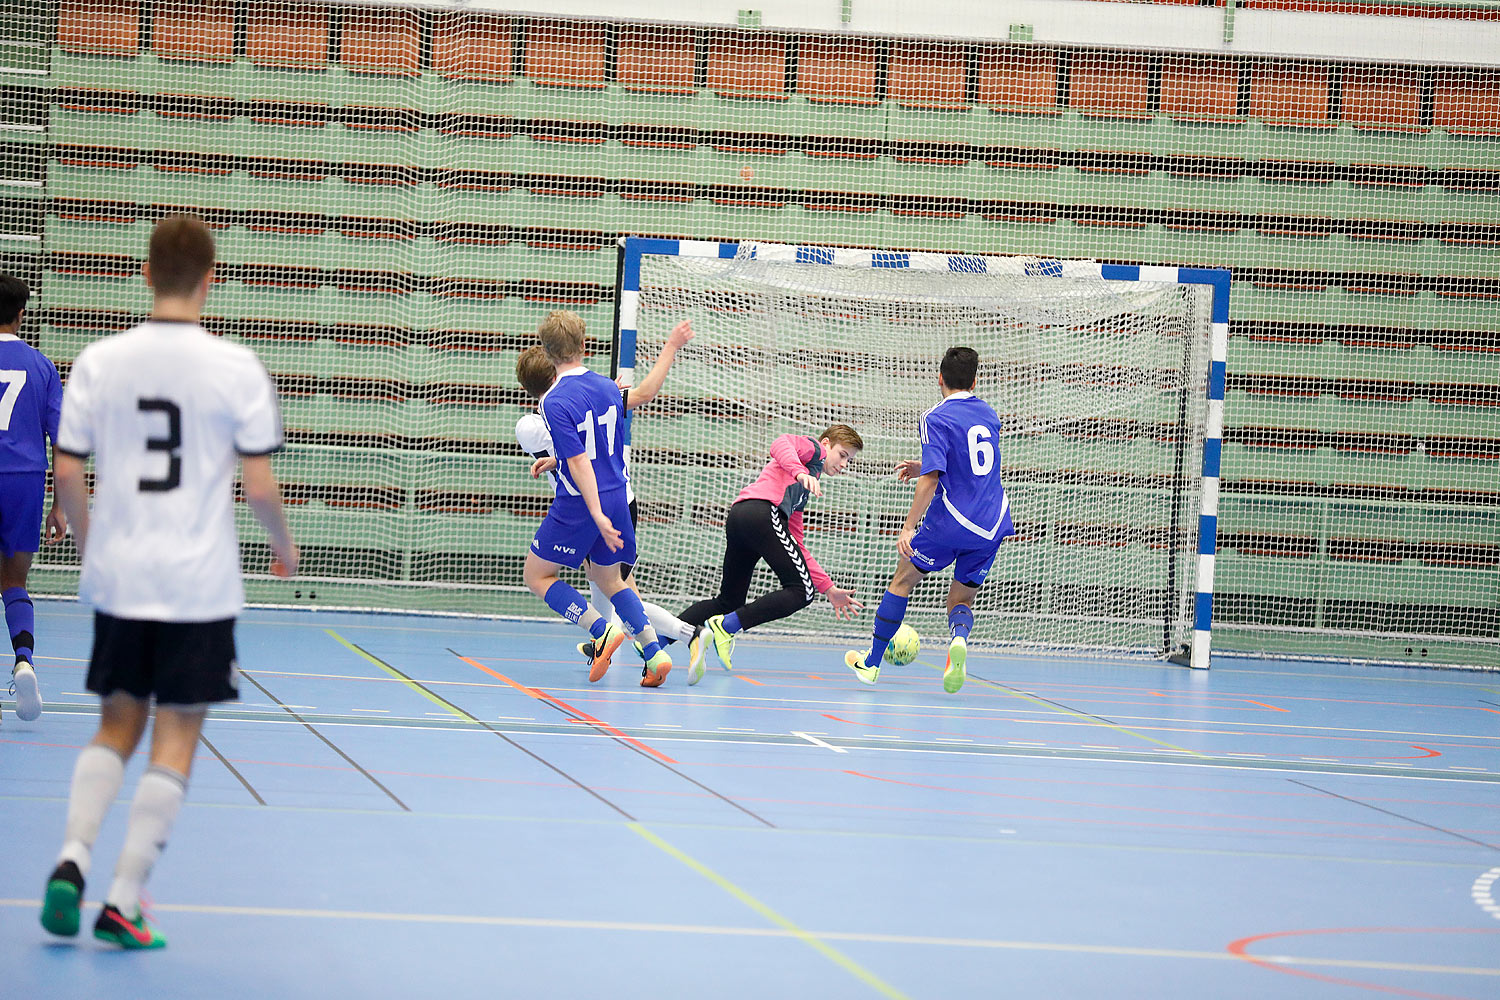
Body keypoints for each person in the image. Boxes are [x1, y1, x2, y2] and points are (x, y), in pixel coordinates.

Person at [38, 214, 298, 950]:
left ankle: (70, 859)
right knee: (177, 735)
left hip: (122, 577)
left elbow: (67, 468)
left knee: (115, 723)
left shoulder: (98, 360)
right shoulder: (235, 366)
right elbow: (259, 484)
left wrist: (93, 548)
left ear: (145, 273)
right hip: (198, 585)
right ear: (211, 281)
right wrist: (283, 548)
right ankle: (123, 898)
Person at [513, 322, 703, 686]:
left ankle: (600, 631)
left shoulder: (551, 402)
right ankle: (654, 653)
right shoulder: (604, 385)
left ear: (548, 353)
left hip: (585, 502)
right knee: (610, 580)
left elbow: (582, 461)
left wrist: (596, 513)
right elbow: (640, 397)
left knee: (536, 575)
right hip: (621, 493)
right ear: (584, 344)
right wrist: (671, 347)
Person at [845, 346, 1015, 693]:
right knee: (961, 600)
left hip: (952, 520)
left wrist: (909, 526)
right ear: (975, 381)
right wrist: (922, 464)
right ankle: (959, 642)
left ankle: (872, 663)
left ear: (939, 378)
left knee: (902, 581)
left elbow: (934, 478)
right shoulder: (989, 414)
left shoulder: (935, 417)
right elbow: (973, 464)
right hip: (994, 522)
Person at [681, 425, 865, 684]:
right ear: (826, 444)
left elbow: (797, 543)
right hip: (761, 514)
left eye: (850, 460)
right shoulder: (812, 451)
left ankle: (656, 639)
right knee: (802, 591)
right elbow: (780, 444)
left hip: (740, 517)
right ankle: (725, 627)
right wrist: (800, 473)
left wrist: (829, 588)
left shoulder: (801, 492)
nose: (845, 463)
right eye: (843, 455)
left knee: (728, 601)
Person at [0, 273, 65, 723]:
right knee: (14, 580)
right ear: (22, 315)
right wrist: (60, 505)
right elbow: (64, 443)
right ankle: (24, 660)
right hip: (24, 480)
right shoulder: (42, 367)